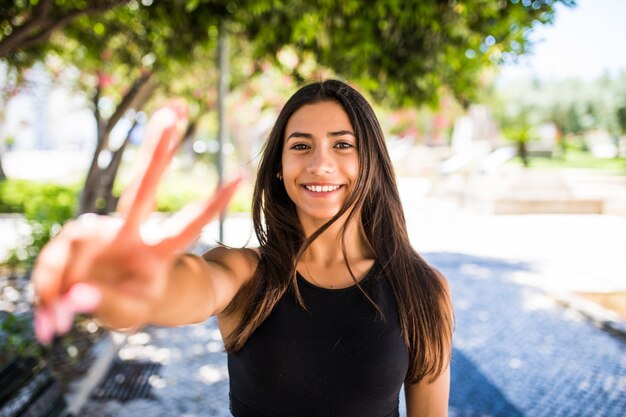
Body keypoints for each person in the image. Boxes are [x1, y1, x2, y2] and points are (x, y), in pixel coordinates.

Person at [32, 80, 454, 417]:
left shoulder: (423, 290)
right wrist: (121, 288)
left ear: (373, 163)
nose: (319, 163)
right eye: (301, 145)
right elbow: (176, 292)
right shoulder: (245, 274)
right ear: (279, 168)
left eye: (343, 144)